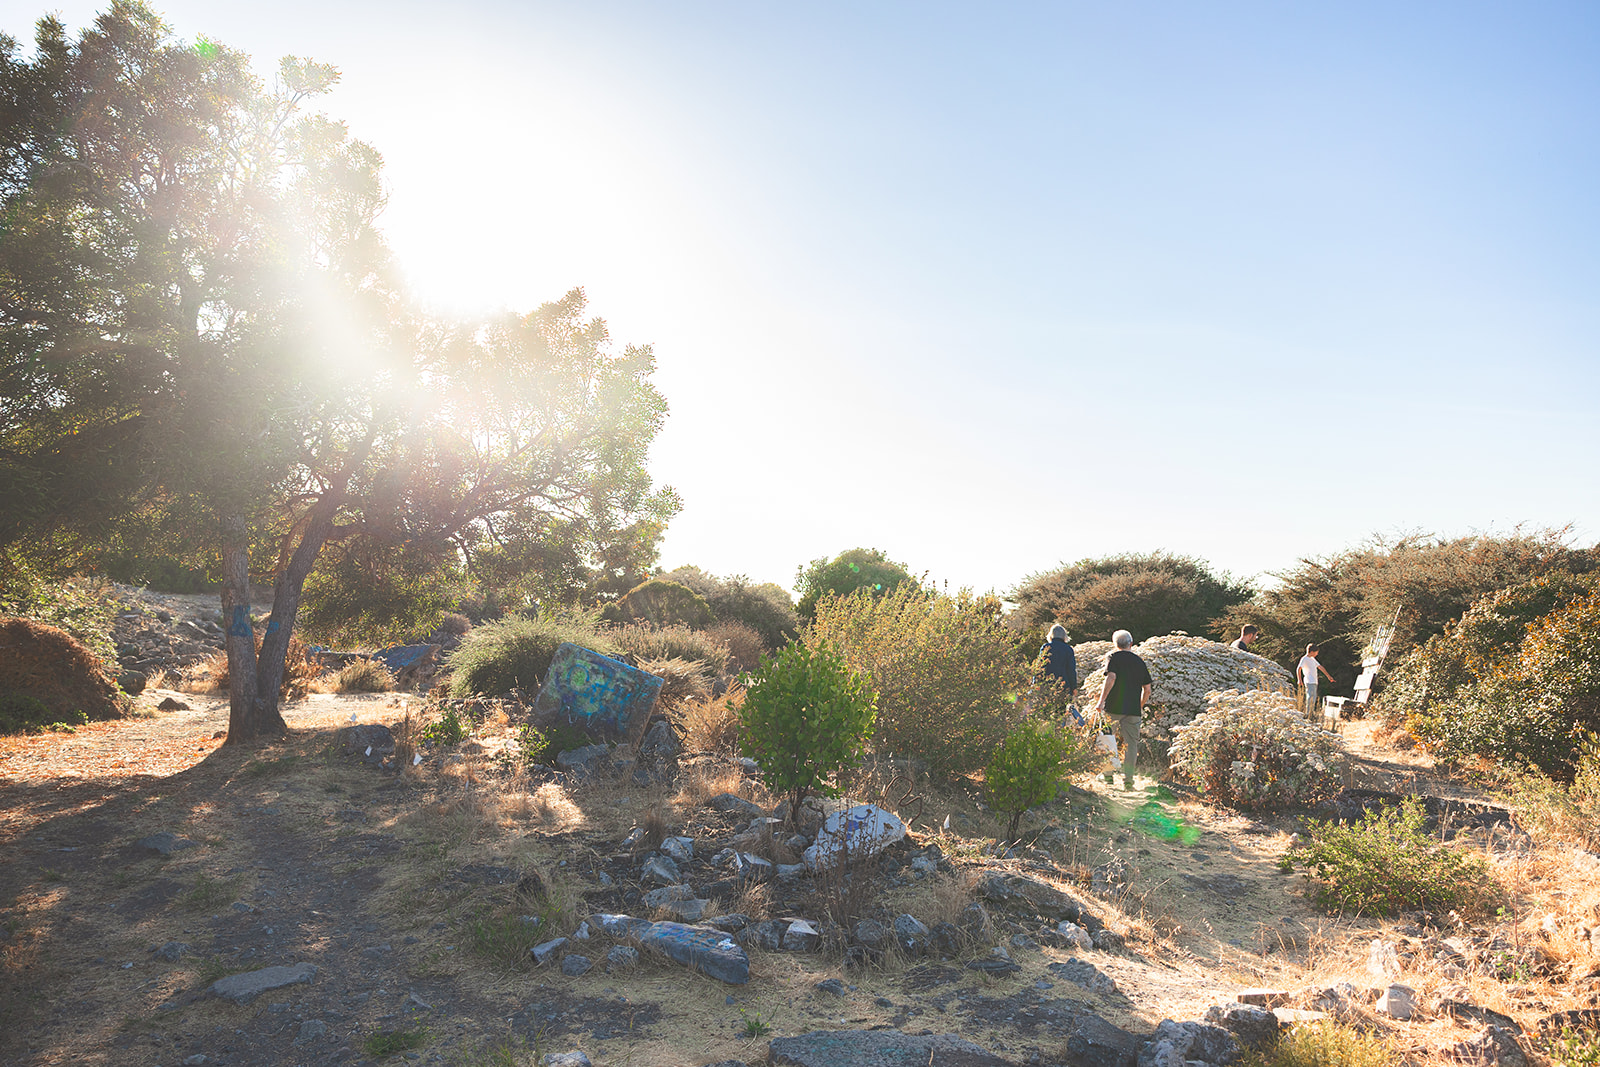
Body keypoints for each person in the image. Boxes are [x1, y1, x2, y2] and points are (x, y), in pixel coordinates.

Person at [1095, 629, 1151, 790]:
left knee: (1107, 740)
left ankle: (1108, 776)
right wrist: (1139, 705)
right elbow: (1147, 690)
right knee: (1131, 745)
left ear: (1115, 644)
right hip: (1133, 710)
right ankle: (1128, 781)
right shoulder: (1139, 661)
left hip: (1113, 707)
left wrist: (1101, 701)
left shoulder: (1113, 657)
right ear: (1131, 643)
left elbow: (1111, 677)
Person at [1039, 624, 1079, 719]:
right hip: (1063, 686)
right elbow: (1071, 670)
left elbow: (1040, 667)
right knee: (1060, 716)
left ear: (1051, 635)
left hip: (1046, 686)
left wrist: (1035, 683)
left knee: (1045, 715)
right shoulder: (1068, 649)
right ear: (1064, 636)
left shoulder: (1045, 647)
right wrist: (1073, 687)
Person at [1297, 643, 1335, 719]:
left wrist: (1328, 676)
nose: (1317, 654)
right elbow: (1299, 668)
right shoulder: (1304, 659)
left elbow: (1320, 667)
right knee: (1310, 697)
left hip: (1314, 681)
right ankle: (1308, 714)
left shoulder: (1312, 659)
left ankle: (1311, 713)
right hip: (1309, 681)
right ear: (1312, 652)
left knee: (1313, 698)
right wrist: (1299, 680)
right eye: (1316, 652)